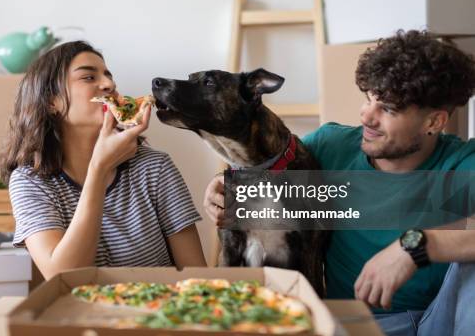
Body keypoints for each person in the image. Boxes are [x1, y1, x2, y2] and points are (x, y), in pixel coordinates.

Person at [203, 30, 475, 335]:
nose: (366, 116)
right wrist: (223, 186)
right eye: (369, 98)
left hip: (435, 321)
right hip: (346, 323)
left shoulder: (460, 164)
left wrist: (413, 246)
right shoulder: (330, 147)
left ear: (433, 122)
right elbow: (263, 163)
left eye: (388, 109)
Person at [0, 40, 206, 279]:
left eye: (109, 76)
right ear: (50, 102)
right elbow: (64, 277)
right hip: (84, 314)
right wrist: (99, 170)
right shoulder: (30, 181)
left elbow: (196, 276)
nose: (109, 84)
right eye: (88, 77)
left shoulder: (154, 167)